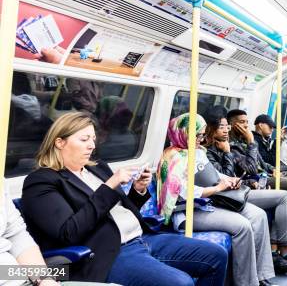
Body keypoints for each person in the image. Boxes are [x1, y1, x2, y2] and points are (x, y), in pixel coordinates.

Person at [21, 112, 228, 286]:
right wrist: (109, 186)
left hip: (142, 237)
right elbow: (69, 232)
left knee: (216, 255)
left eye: (93, 139)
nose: (92, 146)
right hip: (109, 252)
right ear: (59, 142)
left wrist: (137, 192)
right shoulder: (42, 181)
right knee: (180, 283)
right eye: (84, 140)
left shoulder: (97, 167)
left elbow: (115, 210)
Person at [157, 113, 287, 286]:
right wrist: (216, 189)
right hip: (187, 211)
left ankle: (261, 275)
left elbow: (213, 173)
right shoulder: (172, 158)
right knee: (242, 226)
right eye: (197, 135)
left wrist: (227, 180)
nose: (200, 139)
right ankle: (246, 282)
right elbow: (181, 192)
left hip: (211, 200)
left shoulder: (198, 152)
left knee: (258, 215)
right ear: (184, 133)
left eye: (202, 135)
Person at [203, 110, 287, 268]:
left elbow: (258, 165)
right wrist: (244, 145)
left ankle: (280, 248)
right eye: (222, 127)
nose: (226, 130)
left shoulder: (231, 143)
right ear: (211, 129)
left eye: (226, 127)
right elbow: (236, 173)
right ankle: (282, 249)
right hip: (227, 195)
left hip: (244, 186)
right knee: (286, 195)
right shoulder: (220, 148)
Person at [223, 109, 287, 256]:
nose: (245, 125)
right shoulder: (233, 144)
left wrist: (273, 170)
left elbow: (263, 163)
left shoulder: (244, 139)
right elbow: (251, 169)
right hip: (255, 180)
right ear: (232, 125)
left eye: (246, 122)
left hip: (266, 174)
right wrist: (251, 141)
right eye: (241, 122)